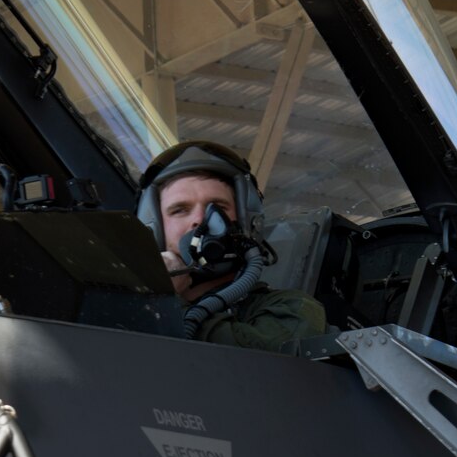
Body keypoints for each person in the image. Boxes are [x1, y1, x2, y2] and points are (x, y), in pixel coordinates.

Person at [136, 141, 325, 351]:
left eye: (217, 206)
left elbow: (257, 368)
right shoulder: (125, 305)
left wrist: (164, 299)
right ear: (154, 228)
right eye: (180, 210)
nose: (199, 219)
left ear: (246, 221)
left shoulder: (292, 309)